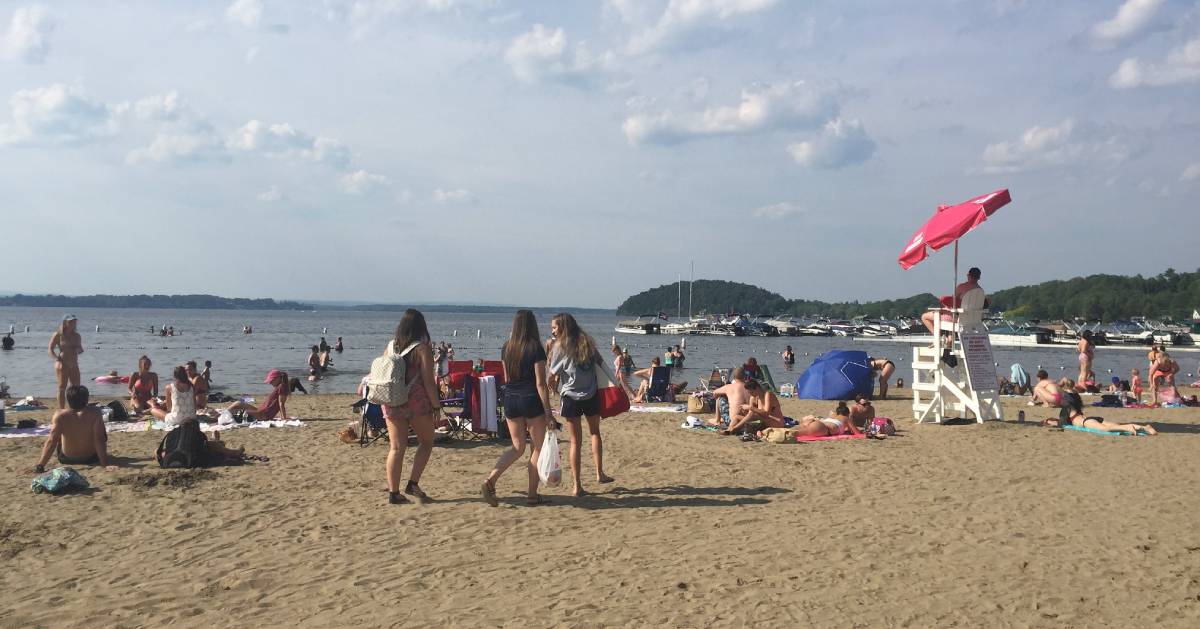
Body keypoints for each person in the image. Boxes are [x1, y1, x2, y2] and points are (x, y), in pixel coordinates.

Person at [481, 310, 554, 507]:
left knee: (516, 447)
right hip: (530, 399)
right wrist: (548, 412)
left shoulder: (507, 348)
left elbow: (507, 377)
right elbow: (540, 383)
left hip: (511, 398)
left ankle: (490, 480)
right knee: (536, 448)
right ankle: (532, 494)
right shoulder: (535, 348)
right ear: (532, 326)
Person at [378, 309, 441, 505]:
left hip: (392, 400)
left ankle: (393, 492)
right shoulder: (422, 349)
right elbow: (429, 382)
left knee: (396, 447)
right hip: (416, 402)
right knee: (427, 441)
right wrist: (436, 405)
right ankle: (413, 483)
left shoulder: (390, 346)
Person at [547, 312, 613, 496]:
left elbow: (552, 373)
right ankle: (599, 473)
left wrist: (550, 386)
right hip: (591, 394)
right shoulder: (588, 342)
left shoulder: (560, 346)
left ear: (563, 327)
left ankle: (577, 485)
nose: (552, 331)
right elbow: (601, 364)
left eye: (554, 327)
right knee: (595, 433)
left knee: (575, 441)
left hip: (570, 397)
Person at [33, 385, 116, 472]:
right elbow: (99, 438)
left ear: (68, 400)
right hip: (91, 458)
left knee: (58, 434)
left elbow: (52, 440)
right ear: (86, 399)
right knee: (100, 431)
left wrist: (41, 465)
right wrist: (105, 463)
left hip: (67, 458)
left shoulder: (60, 415)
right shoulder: (95, 412)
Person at [1042, 382, 1156, 435]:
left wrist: (1049, 421)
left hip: (1086, 422)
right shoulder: (1075, 407)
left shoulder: (1066, 409)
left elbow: (1062, 424)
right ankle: (1145, 427)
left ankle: (1129, 429)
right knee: (1115, 425)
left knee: (1106, 429)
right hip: (1091, 419)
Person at [921, 266, 990, 335]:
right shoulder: (981, 291)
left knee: (925, 316)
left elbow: (953, 303)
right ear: (979, 278)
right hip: (973, 321)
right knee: (948, 312)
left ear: (968, 275)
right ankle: (949, 339)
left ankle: (938, 337)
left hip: (958, 319)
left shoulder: (962, 287)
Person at [48, 314, 84, 409]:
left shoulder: (77, 336)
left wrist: (78, 350)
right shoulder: (58, 335)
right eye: (71, 322)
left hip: (74, 364)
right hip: (62, 364)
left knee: (76, 388)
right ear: (65, 323)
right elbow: (50, 349)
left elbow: (81, 349)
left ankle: (75, 408)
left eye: (74, 321)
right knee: (62, 387)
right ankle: (62, 409)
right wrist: (56, 358)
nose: (73, 323)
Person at [225, 369, 291, 421]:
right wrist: (282, 417)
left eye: (271, 381)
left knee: (233, 413)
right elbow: (277, 404)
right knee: (238, 403)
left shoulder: (282, 386)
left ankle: (218, 417)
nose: (270, 383)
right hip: (260, 411)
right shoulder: (279, 387)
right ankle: (221, 415)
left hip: (263, 415)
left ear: (278, 378)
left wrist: (284, 418)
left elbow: (281, 404)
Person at [794, 402, 862, 437]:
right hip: (822, 428)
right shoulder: (846, 418)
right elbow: (857, 432)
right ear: (847, 413)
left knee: (793, 432)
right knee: (794, 434)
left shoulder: (833, 415)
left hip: (815, 422)